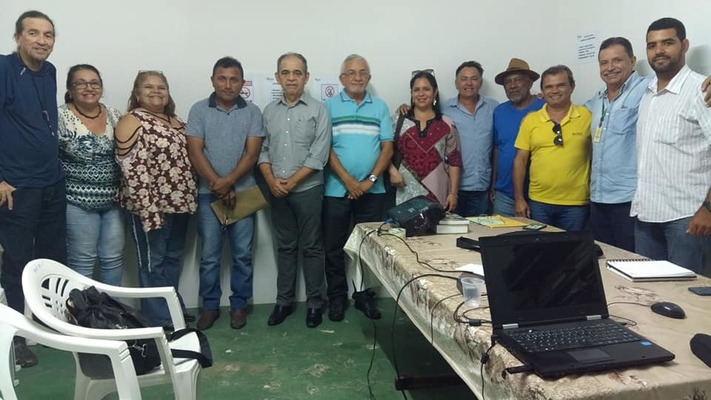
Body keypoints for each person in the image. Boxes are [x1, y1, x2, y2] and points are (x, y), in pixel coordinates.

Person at [0, 10, 62, 368]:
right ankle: (17, 337)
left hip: (51, 181)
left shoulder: (50, 72)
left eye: (49, 35)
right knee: (18, 262)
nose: (42, 40)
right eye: (34, 33)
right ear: (18, 38)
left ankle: (48, 326)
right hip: (17, 186)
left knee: (52, 260)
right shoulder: (5, 70)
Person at [114, 71, 197, 329]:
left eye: (162, 87)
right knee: (152, 263)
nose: (156, 91)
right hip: (150, 207)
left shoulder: (176, 121)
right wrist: (147, 210)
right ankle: (157, 318)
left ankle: (172, 310)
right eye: (149, 87)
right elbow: (131, 169)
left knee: (172, 258)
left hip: (178, 205)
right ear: (137, 93)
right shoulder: (131, 120)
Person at [187, 57, 264, 330]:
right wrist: (216, 184)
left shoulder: (253, 112)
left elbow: (252, 153)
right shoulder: (198, 110)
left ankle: (239, 305)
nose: (228, 84)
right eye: (222, 78)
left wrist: (228, 182)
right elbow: (195, 150)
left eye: (234, 79)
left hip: (244, 193)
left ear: (242, 83)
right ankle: (209, 307)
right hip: (208, 194)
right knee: (210, 256)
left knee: (242, 254)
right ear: (212, 80)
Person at [259, 53, 331, 328]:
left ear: (306, 77)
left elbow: (319, 153)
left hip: (308, 189)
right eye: (286, 73)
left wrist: (292, 182)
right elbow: (262, 150)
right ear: (278, 77)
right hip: (277, 191)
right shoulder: (269, 111)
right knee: (286, 247)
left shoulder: (318, 110)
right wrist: (272, 180)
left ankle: (315, 303)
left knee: (312, 247)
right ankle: (283, 302)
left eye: (297, 73)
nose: (291, 78)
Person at [633, 18, 711, 272]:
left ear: (684, 45)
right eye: (652, 45)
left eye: (667, 43)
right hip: (646, 215)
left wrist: (708, 208)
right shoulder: (647, 93)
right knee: (649, 295)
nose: (659, 51)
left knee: (687, 299)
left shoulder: (701, 90)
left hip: (688, 218)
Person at [323, 54, 393, 322]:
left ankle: (364, 296)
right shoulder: (328, 106)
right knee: (334, 248)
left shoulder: (379, 107)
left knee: (367, 247)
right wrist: (350, 182)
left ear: (369, 78)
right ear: (342, 78)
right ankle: (337, 297)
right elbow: (325, 148)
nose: (357, 77)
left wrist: (369, 181)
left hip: (372, 192)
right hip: (336, 189)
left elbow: (387, 147)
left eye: (362, 72)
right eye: (351, 73)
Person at [59, 64, 125, 286]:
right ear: (70, 88)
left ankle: (113, 316)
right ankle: (81, 318)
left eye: (94, 83)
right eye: (81, 83)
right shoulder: (60, 116)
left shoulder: (115, 115)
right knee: (82, 262)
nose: (89, 88)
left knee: (113, 260)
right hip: (77, 202)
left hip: (113, 202)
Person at [513, 65, 592, 231]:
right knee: (539, 251)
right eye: (549, 86)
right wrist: (519, 198)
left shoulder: (587, 116)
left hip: (576, 204)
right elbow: (520, 160)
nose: (554, 90)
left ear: (572, 87)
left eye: (560, 85)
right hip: (539, 202)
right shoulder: (531, 120)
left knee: (571, 252)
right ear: (542, 91)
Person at [388, 71, 462, 211]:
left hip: (438, 193)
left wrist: (453, 193)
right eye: (417, 90)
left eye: (426, 89)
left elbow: (455, 161)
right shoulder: (398, 121)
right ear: (411, 93)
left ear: (435, 92)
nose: (421, 94)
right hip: (402, 192)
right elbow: (383, 151)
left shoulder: (447, 124)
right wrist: (392, 171)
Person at [491, 58, 545, 217]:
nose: (513, 85)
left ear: (530, 83)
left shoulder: (545, 106)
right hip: (504, 194)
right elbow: (497, 149)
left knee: (538, 240)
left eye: (518, 80)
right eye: (508, 82)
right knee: (502, 239)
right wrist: (494, 183)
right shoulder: (499, 111)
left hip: (538, 196)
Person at [444, 61, 498, 217]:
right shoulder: (444, 109)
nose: (469, 83)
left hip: (482, 187)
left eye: (474, 79)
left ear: (480, 82)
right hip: (452, 187)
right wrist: (405, 108)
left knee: (479, 235)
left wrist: (539, 98)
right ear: (456, 83)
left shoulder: (493, 107)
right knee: (450, 237)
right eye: (464, 79)